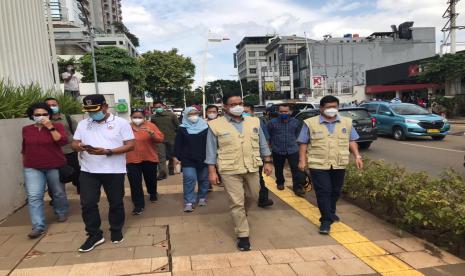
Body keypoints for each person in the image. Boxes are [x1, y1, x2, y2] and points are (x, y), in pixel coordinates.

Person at [206, 94, 274, 251]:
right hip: (229, 169)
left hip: (251, 166)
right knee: (236, 202)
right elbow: (210, 151)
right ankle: (243, 235)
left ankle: (241, 214)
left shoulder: (254, 121)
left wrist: (268, 161)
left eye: (240, 103)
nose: (238, 106)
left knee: (253, 196)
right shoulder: (215, 125)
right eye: (233, 104)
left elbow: (262, 143)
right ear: (225, 107)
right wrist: (212, 172)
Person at [71, 94, 135, 253]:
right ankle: (94, 234)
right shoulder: (83, 124)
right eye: (88, 110)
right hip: (88, 170)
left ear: (105, 106)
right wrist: (79, 147)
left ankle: (116, 229)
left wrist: (108, 151)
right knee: (88, 204)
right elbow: (74, 143)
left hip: (114, 171)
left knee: (116, 202)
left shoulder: (121, 123)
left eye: (95, 110)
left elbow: (130, 145)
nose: (92, 113)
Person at [297, 95, 363, 235]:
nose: (332, 110)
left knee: (335, 191)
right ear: (321, 108)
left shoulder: (346, 122)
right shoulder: (310, 123)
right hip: (318, 164)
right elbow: (303, 143)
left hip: (339, 162)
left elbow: (352, 140)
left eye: (334, 107)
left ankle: (331, 212)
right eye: (328, 107)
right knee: (324, 191)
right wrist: (302, 160)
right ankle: (325, 220)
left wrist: (357, 155)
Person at [22, 103, 69, 239]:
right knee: (34, 196)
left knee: (58, 192)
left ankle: (61, 212)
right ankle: (38, 226)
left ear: (49, 115)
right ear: (32, 116)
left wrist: (50, 127)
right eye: (37, 114)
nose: (41, 117)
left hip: (54, 165)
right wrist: (24, 165)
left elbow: (61, 142)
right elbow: (24, 148)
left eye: (44, 114)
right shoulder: (26, 129)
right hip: (32, 167)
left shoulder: (58, 126)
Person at [126, 109, 164, 215]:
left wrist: (152, 133)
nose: (137, 119)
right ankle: (138, 205)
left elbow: (160, 139)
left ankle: (152, 193)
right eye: (134, 117)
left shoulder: (151, 126)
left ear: (144, 117)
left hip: (149, 158)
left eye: (139, 117)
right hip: (132, 159)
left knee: (151, 179)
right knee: (135, 183)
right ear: (131, 117)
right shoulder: (126, 127)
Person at [174, 107, 210, 212]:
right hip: (187, 158)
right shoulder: (182, 128)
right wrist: (175, 157)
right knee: (189, 178)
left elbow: (210, 143)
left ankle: (202, 197)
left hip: (204, 157)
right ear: (185, 115)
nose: (193, 116)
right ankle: (189, 202)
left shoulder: (205, 126)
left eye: (195, 113)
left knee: (203, 178)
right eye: (190, 114)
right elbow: (178, 144)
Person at [267, 104, 306, 197]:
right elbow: (269, 136)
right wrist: (269, 149)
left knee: (296, 169)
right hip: (277, 150)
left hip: (293, 150)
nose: (283, 113)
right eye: (281, 112)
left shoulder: (296, 122)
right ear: (278, 112)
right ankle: (280, 182)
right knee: (278, 168)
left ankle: (297, 187)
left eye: (285, 112)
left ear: (290, 112)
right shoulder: (272, 123)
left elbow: (299, 136)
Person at [45, 97, 80, 194]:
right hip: (51, 154)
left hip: (69, 151)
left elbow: (78, 133)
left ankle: (79, 186)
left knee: (74, 172)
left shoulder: (68, 118)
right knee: (54, 176)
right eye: (48, 105)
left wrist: (77, 145)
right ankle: (55, 197)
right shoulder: (43, 121)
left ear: (58, 106)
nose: (52, 107)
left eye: (54, 105)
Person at [243, 104, 273, 207]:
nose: (244, 114)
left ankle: (263, 199)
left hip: (256, 158)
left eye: (246, 111)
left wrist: (267, 159)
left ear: (252, 112)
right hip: (238, 159)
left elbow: (265, 140)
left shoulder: (257, 123)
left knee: (258, 179)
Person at [151, 102, 179, 180]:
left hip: (171, 138)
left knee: (171, 155)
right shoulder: (153, 117)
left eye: (159, 106)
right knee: (161, 156)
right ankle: (162, 173)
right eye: (156, 107)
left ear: (163, 106)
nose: (158, 108)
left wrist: (176, 136)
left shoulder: (171, 115)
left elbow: (177, 126)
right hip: (159, 140)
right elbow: (152, 128)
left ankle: (171, 169)